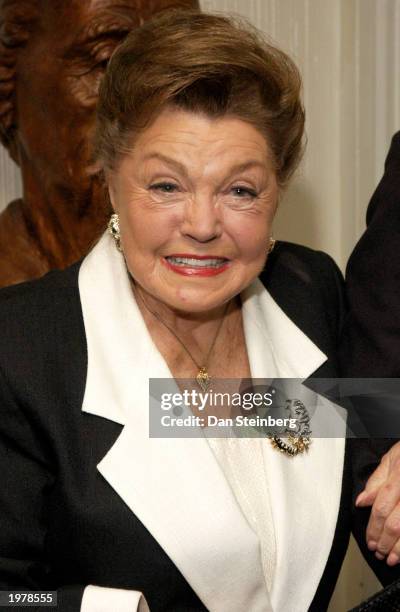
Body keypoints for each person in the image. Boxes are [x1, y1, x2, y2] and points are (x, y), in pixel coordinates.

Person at [0, 9, 399, 611]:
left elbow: (366, 419)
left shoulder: (304, 295)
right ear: (110, 178)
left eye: (240, 190)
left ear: (277, 192)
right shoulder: (20, 349)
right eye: (166, 186)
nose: (203, 226)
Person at [0, 0, 198, 288]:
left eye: (176, 67)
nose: (152, 100)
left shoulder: (263, 287)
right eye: (105, 61)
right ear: (9, 83)